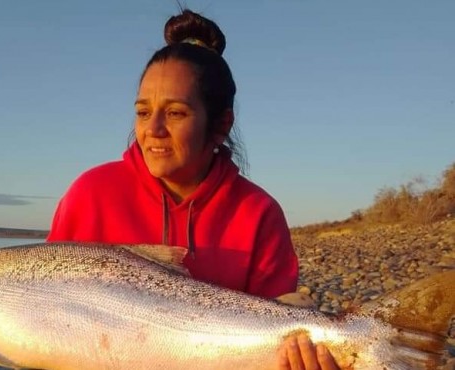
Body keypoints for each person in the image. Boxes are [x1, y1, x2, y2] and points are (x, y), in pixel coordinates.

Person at [47, 8, 338, 370]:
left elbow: (277, 335)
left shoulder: (259, 212)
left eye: (175, 113)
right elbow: (46, 318)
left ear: (220, 125)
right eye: (142, 112)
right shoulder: (89, 195)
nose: (153, 128)